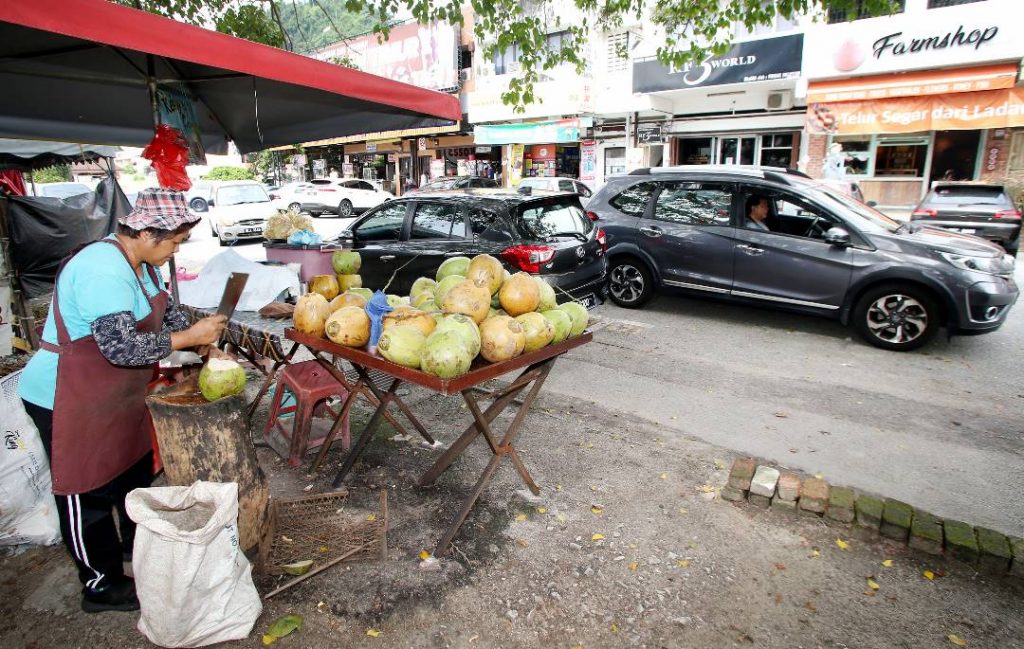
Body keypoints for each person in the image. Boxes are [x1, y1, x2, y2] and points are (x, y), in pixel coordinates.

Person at [19, 188, 226, 614]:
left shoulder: (145, 266)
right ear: (148, 232)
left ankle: (136, 548)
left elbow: (167, 319)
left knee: (129, 471)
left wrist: (205, 346)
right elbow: (121, 348)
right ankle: (100, 585)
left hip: (114, 394)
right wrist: (189, 338)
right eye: (173, 241)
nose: (175, 250)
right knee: (85, 490)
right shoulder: (102, 268)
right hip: (67, 393)